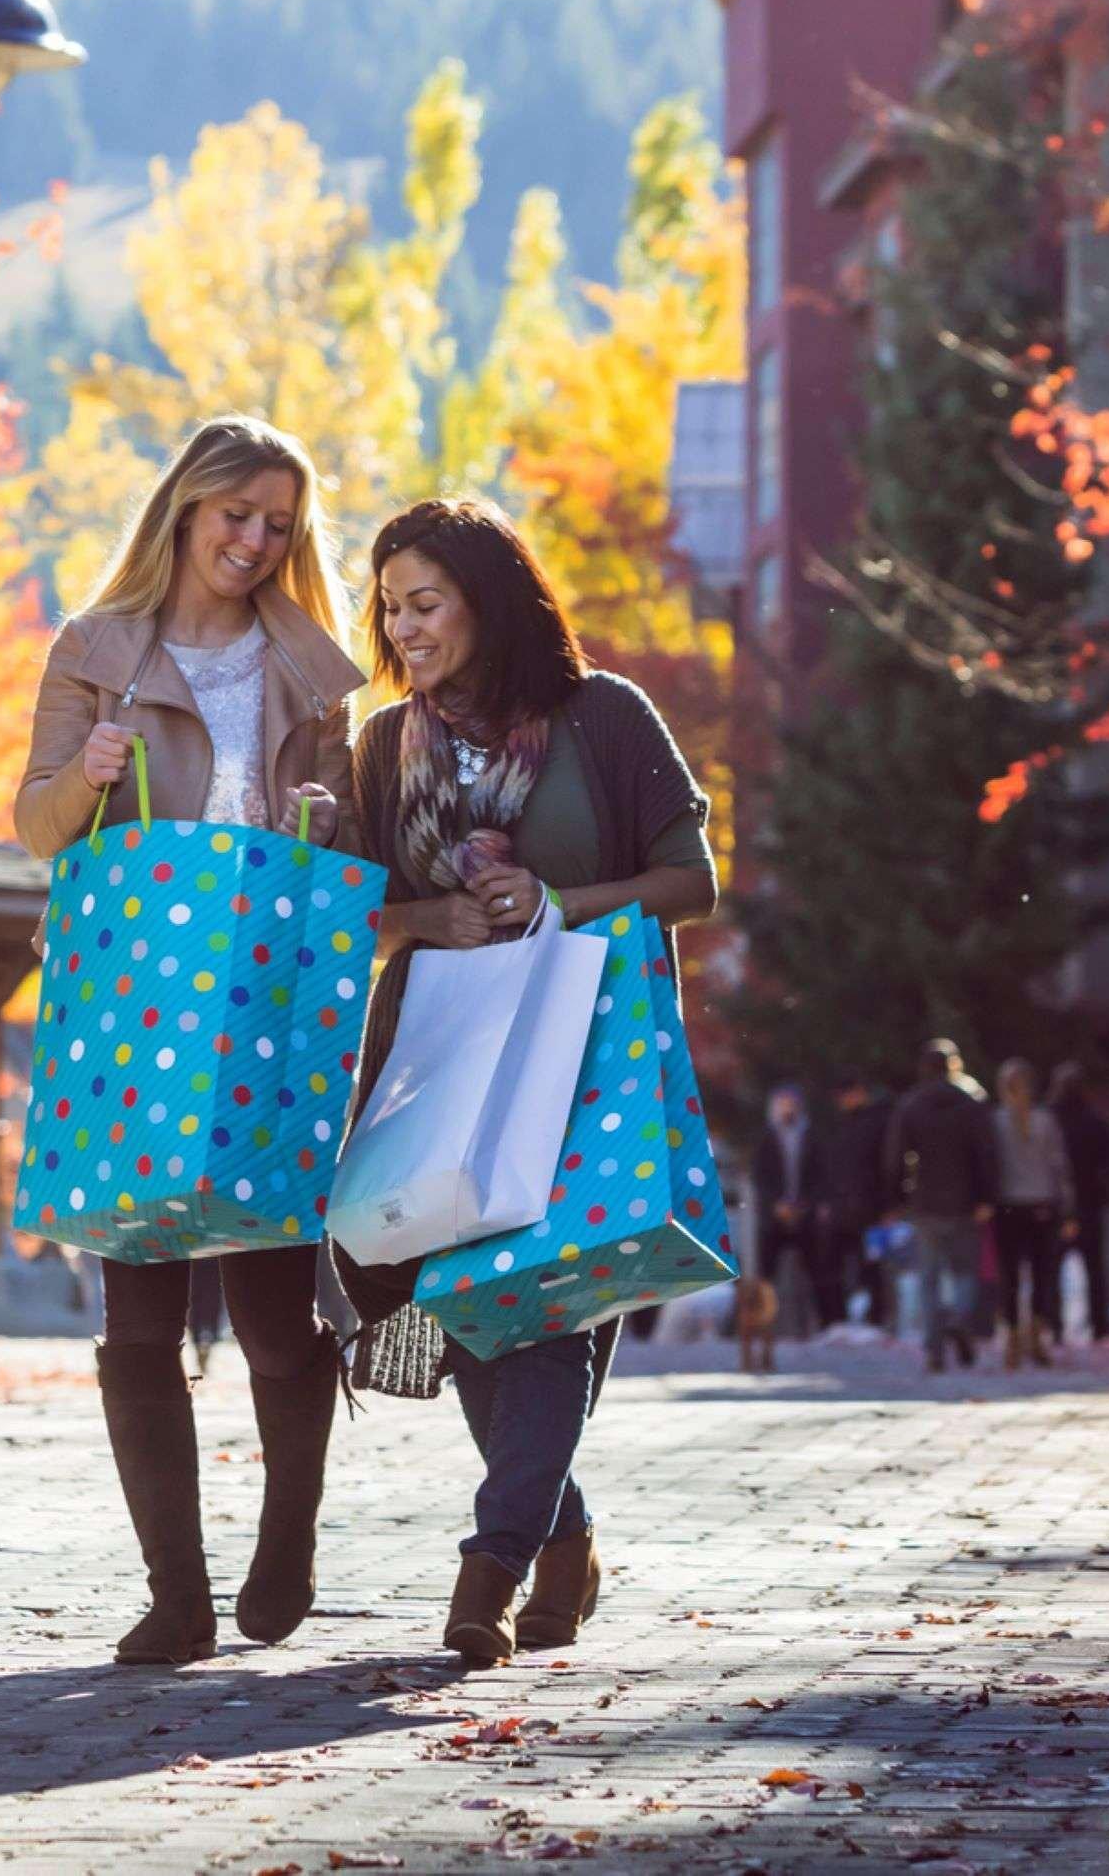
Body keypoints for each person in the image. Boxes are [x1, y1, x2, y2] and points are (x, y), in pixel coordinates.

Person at [327, 497, 717, 1670]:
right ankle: (567, 1538)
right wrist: (429, 913)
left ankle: (489, 1562)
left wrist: (560, 903)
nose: (402, 627)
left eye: (425, 601)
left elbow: (689, 879)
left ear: (487, 600)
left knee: (541, 1304)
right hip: (436, 1061)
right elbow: (357, 912)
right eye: (389, 605)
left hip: (585, 1053)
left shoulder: (602, 716)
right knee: (462, 1301)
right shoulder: (384, 742)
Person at [13, 414, 366, 1666]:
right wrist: (91, 768)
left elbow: (354, 852)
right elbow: (36, 823)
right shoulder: (97, 651)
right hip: (132, 1008)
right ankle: (176, 1592)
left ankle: (287, 1544)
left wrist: (328, 819)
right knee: (138, 1314)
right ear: (183, 509)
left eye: (278, 524)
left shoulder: (311, 670)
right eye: (237, 516)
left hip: (264, 1007)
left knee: (275, 1309)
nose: (256, 541)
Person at [884, 1038, 998, 1372]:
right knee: (966, 1272)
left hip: (925, 1202)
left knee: (929, 1277)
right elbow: (986, 1154)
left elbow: (895, 1158)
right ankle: (961, 1321)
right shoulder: (971, 1105)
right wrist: (986, 1197)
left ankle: (934, 1347)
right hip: (965, 1202)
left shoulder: (910, 1106)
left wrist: (896, 1198)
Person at [990, 1057, 1071, 1368]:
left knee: (1009, 1276)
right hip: (1042, 1204)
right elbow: (1059, 1167)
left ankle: (1011, 1340)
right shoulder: (1045, 1121)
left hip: (1007, 1205)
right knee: (1041, 1275)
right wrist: (1067, 1207)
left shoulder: (995, 1122)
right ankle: (1036, 1336)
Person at [1050, 1060, 1109, 1341]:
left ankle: (1055, 1325)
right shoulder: (1094, 1122)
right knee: (1095, 1267)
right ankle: (1100, 1326)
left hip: (1054, 1202)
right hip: (1088, 1200)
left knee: (1053, 1268)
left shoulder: (1049, 1120)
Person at [808, 1080, 887, 1331]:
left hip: (868, 1208)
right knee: (832, 1267)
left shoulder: (876, 1123)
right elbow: (825, 1168)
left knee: (871, 1268)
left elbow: (883, 1165)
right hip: (840, 1207)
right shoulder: (835, 1126)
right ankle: (834, 1320)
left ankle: (875, 1319)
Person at [746, 1084, 822, 1336]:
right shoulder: (765, 1137)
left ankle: (819, 1326)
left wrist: (805, 1205)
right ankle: (762, 1327)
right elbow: (759, 1177)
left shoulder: (811, 1136)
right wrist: (776, 1205)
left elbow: (819, 1176)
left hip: (804, 1215)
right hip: (773, 1216)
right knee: (766, 1276)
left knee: (816, 1272)